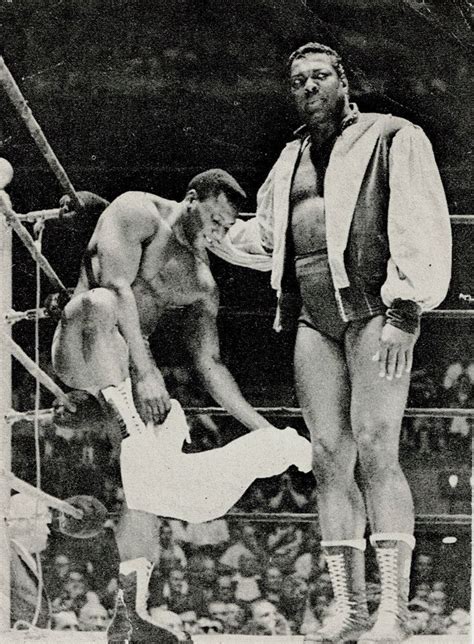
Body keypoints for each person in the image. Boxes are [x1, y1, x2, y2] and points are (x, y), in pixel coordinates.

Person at [213, 42, 452, 643]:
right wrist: (196, 226)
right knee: (327, 459)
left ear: (345, 81)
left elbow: (419, 222)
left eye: (319, 76)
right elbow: (265, 236)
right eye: (297, 80)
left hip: (376, 310)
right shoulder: (289, 157)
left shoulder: (392, 136)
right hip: (314, 319)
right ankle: (348, 610)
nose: (308, 87)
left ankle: (392, 613)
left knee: (376, 448)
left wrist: (406, 309)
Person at [51, 170, 302, 642]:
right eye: (213, 218)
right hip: (84, 350)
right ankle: (132, 427)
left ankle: (130, 616)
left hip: (126, 373)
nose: (217, 233)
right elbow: (117, 286)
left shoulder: (202, 279)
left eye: (226, 228)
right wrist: (147, 374)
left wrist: (263, 429)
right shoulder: (136, 209)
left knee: (147, 467)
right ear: (191, 199)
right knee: (102, 303)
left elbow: (209, 363)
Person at [8, 493, 52, 629]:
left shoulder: (19, 557)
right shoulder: (6, 557)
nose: (48, 530)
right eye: (43, 520)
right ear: (25, 521)